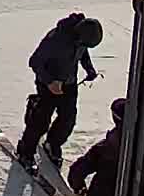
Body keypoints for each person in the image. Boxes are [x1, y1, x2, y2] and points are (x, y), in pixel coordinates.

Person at [16, 13, 105, 164]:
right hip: (47, 85)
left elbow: (82, 52)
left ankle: (53, 143)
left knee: (68, 119)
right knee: (41, 121)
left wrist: (89, 69)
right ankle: (25, 151)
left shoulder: (81, 39)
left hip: (69, 83)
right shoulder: (55, 39)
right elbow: (35, 61)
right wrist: (50, 82)